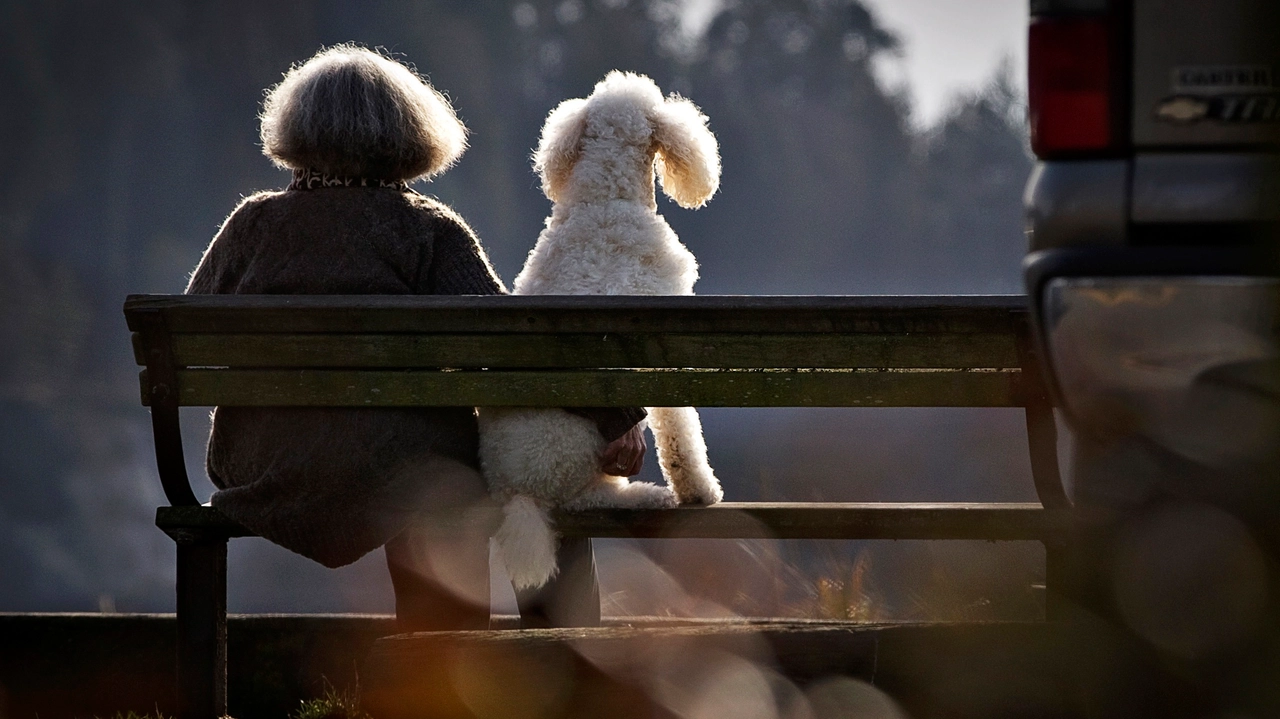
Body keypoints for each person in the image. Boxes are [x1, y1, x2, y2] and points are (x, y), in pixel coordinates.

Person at [185, 45, 646, 630]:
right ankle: (553, 677)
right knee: (503, 482)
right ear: (406, 133)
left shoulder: (249, 227)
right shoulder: (427, 231)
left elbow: (194, 328)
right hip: (404, 476)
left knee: (414, 462)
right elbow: (511, 350)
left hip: (261, 466)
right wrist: (614, 414)